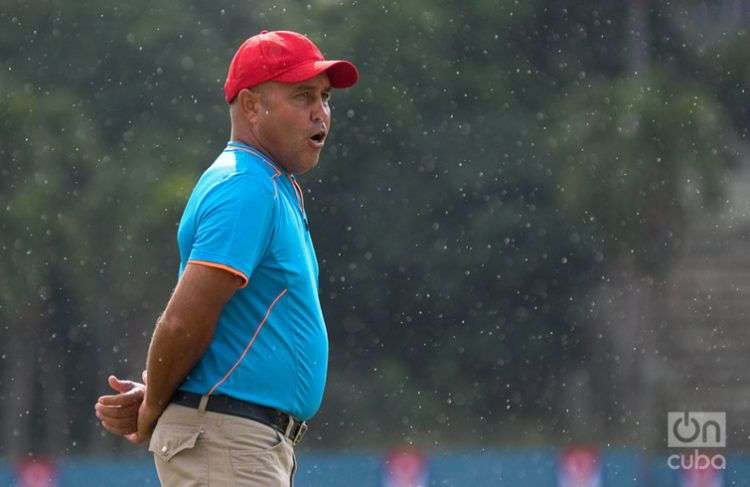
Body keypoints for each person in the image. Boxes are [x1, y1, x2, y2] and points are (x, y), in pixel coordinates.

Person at [94, 30, 358, 486]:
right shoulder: (246, 187)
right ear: (253, 106)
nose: (321, 113)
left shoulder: (266, 184)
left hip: (236, 440)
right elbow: (183, 320)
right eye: (302, 96)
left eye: (325, 97)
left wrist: (160, 394)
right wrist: (155, 408)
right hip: (226, 441)